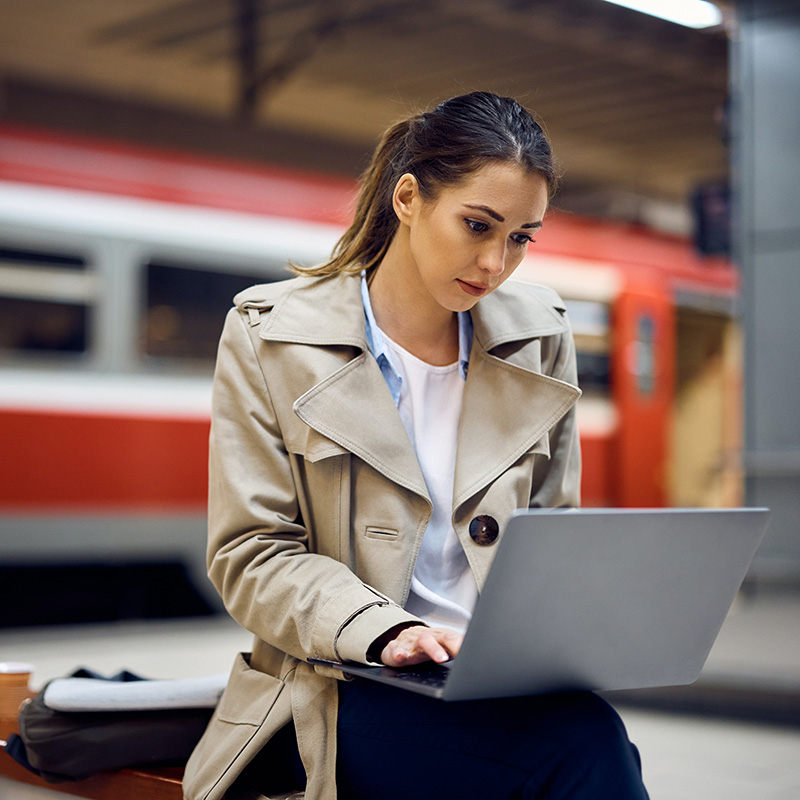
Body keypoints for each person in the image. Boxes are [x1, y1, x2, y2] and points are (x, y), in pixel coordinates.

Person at [183, 91, 649, 800]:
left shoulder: (540, 334)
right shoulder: (268, 334)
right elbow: (250, 555)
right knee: (582, 750)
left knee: (588, 734)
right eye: (477, 225)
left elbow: (552, 534)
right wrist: (385, 632)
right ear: (408, 198)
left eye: (522, 237)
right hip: (342, 685)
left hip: (494, 680)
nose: (496, 262)